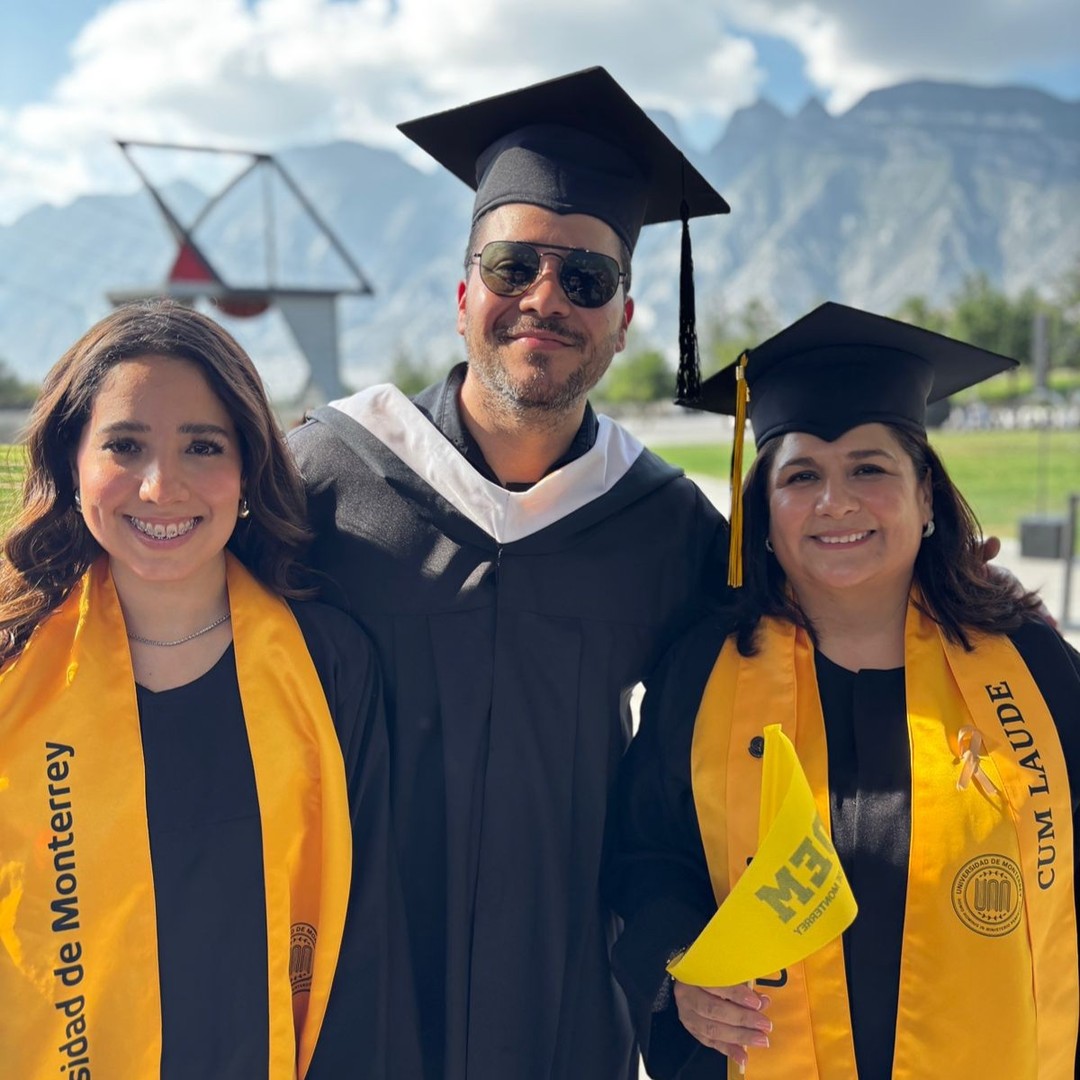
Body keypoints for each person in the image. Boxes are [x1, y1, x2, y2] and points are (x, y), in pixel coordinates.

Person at [288, 68, 730, 1080]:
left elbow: (759, 708)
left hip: (565, 1008)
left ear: (622, 322)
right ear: (461, 297)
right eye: (512, 264)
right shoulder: (324, 479)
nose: (545, 298)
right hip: (353, 996)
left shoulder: (668, 527)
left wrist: (952, 585)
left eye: (587, 280)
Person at [606, 302, 1080, 1079]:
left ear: (926, 496)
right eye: (802, 476)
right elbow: (646, 853)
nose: (836, 502)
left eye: (869, 467)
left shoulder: (1028, 666)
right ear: (765, 512)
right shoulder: (702, 672)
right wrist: (680, 966)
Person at [0, 300, 418, 1078]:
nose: (161, 486)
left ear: (248, 465)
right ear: (72, 461)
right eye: (125, 445)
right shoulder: (12, 669)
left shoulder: (327, 665)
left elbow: (363, 947)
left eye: (203, 446)